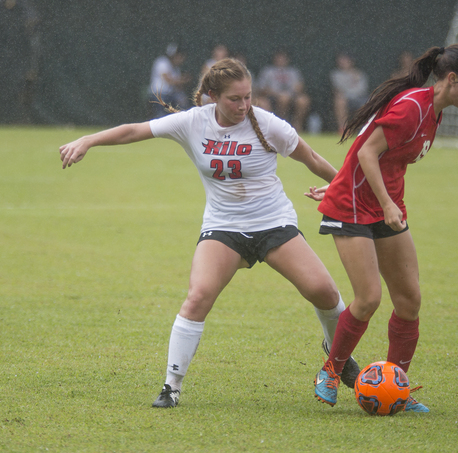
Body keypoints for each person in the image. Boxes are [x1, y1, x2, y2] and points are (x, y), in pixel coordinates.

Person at [59, 58, 360, 408]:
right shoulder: (193, 122)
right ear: (213, 96)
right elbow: (134, 130)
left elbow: (313, 159)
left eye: (248, 97)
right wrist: (89, 140)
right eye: (235, 99)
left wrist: (348, 190)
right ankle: (171, 386)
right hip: (224, 227)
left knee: (323, 291)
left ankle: (336, 354)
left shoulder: (267, 124)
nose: (244, 106)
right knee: (198, 296)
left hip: (273, 223)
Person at [306, 44, 458, 412]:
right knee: (369, 298)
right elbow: (366, 152)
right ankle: (331, 370)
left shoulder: (434, 110)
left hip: (385, 205)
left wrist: (364, 190)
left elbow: (379, 154)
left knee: (409, 301)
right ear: (451, 80)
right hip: (354, 206)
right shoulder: (413, 107)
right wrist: (362, 193)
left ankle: (396, 387)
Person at [255, 50, 310, 132]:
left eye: (283, 58)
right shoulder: (268, 71)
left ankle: (297, 125)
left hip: (291, 95)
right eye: (279, 58)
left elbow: (299, 86)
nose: (281, 60)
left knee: (303, 100)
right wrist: (276, 94)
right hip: (272, 97)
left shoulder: (293, 71)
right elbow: (262, 88)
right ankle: (281, 125)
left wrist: (291, 92)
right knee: (283, 99)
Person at [147, 43, 191, 118]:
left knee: (182, 101)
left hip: (170, 95)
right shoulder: (162, 62)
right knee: (161, 116)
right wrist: (184, 79)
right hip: (158, 94)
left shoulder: (176, 68)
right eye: (179, 56)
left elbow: (178, 87)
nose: (181, 59)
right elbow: (169, 80)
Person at [330, 52, 369, 135]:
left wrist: (351, 89)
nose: (343, 62)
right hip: (345, 99)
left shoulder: (359, 74)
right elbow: (339, 89)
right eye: (341, 60)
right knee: (339, 101)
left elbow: (362, 89)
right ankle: (343, 128)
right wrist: (352, 86)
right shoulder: (336, 74)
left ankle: (365, 129)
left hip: (359, 98)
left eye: (345, 60)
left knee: (369, 102)